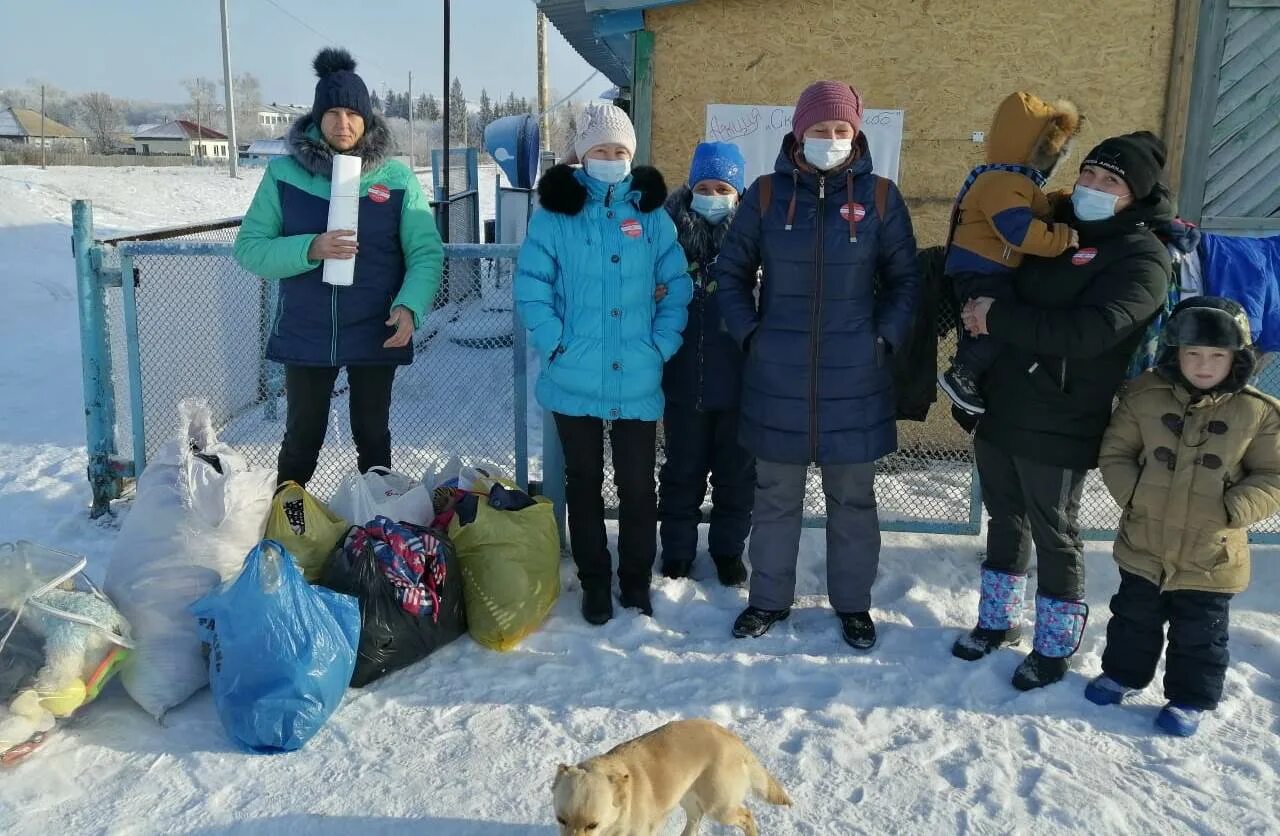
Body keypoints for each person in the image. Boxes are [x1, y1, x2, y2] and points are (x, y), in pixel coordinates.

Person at [952, 131, 1175, 690]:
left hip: (1063, 411)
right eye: (1090, 175)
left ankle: (1054, 646)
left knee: (1055, 529)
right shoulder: (1055, 232)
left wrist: (997, 317)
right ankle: (996, 620)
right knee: (1004, 515)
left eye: (1111, 181)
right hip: (1003, 400)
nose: (1093, 188)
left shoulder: (1141, 254)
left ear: (1136, 194)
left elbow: (1095, 331)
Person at [713, 80, 921, 650]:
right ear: (798, 132)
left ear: (855, 133)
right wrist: (752, 336)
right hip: (775, 377)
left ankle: (853, 605)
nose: (830, 139)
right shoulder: (762, 196)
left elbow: (905, 281)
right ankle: (768, 600)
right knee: (775, 497)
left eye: (840, 130)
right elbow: (730, 276)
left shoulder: (880, 197)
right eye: (820, 129)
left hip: (857, 379)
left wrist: (882, 340)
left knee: (853, 502)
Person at [514, 104, 693, 626]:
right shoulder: (555, 215)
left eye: (620, 152)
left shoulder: (651, 216)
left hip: (637, 372)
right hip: (574, 374)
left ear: (631, 156)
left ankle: (635, 580)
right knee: (582, 482)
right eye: (600, 151)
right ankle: (595, 581)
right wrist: (556, 344)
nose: (611, 159)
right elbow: (531, 287)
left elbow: (676, 286)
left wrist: (660, 344)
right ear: (583, 155)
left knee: (638, 486)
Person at [234, 48, 443, 487]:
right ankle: (289, 526)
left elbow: (425, 252)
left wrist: (410, 306)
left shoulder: (397, 179)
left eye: (352, 113)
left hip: (375, 324)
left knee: (373, 436)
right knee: (301, 440)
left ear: (367, 119)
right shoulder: (284, 175)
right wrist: (312, 247)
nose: (342, 123)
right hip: (307, 329)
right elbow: (250, 249)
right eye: (332, 112)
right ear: (316, 117)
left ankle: (378, 533)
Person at [1087, 296, 1280, 736]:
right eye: (1194, 353)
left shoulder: (1259, 412)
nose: (1205, 364)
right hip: (1145, 540)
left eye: (1217, 355)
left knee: (1201, 634)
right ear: (1176, 352)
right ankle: (1123, 674)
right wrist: (1133, 493)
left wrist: (1235, 508)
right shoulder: (1145, 396)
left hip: (1211, 553)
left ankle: (1189, 699)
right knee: (1133, 617)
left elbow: (1273, 474)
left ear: (1237, 356)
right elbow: (1116, 451)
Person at [937, 92, 1082, 415]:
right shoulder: (1003, 183)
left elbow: (1029, 209)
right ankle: (963, 373)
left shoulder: (1006, 180)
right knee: (996, 321)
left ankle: (970, 371)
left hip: (983, 266)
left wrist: (1055, 203)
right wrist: (1060, 237)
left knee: (992, 320)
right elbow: (1018, 230)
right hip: (983, 269)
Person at [658, 141, 754, 587]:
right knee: (681, 473)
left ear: (738, 194)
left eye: (723, 188)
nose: (712, 195)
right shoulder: (666, 237)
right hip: (683, 385)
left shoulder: (755, 244)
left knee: (736, 478)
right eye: (704, 186)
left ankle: (727, 552)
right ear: (690, 187)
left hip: (740, 390)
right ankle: (677, 552)